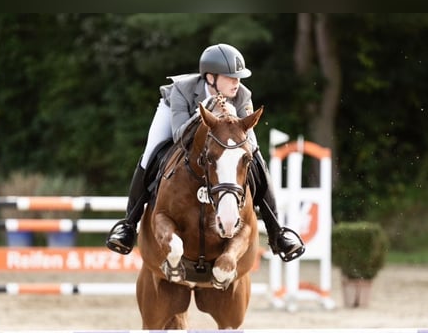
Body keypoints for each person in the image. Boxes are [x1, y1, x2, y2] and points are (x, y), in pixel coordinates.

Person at [106, 43, 305, 262]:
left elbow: (243, 138)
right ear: (210, 78)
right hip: (174, 116)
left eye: (238, 77)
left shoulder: (242, 97)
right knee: (150, 155)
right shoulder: (182, 90)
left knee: (256, 160)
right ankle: (128, 226)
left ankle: (277, 232)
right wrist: (207, 108)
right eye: (230, 77)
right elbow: (180, 136)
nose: (236, 82)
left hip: (225, 132)